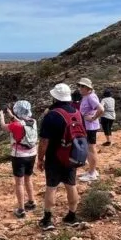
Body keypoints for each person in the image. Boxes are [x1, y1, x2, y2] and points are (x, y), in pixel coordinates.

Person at [36, 83, 82, 231]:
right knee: (71, 185)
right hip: (71, 156)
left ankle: (48, 219)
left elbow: (44, 141)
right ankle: (72, 216)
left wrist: (40, 158)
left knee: (51, 187)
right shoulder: (76, 112)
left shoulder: (52, 115)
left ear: (55, 97)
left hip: (54, 156)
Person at [0, 100, 37, 218]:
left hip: (19, 156)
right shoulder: (33, 121)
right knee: (28, 179)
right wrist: (11, 115)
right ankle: (31, 201)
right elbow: (22, 123)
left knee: (19, 183)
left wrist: (1, 116)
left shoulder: (15, 125)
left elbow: (4, 126)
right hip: (32, 154)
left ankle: (21, 209)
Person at [77, 78, 103, 182]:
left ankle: (92, 173)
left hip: (90, 127)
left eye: (82, 86)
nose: (80, 88)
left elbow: (101, 109)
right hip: (88, 126)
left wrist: (93, 118)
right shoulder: (88, 96)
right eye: (80, 86)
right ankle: (92, 171)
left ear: (88, 88)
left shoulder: (91, 97)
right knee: (90, 149)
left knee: (91, 149)